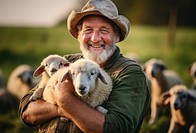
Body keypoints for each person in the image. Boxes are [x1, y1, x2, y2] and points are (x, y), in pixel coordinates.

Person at [18, 0, 150, 132]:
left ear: (116, 36)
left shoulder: (128, 73)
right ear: (79, 35)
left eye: (104, 30)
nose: (95, 38)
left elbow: (117, 128)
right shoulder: (66, 62)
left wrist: (65, 98)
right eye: (88, 30)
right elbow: (27, 111)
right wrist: (59, 109)